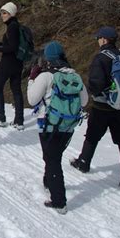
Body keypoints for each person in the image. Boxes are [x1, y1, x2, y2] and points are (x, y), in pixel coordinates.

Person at [27, 41, 88, 214]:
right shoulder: (74, 76)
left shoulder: (46, 76)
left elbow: (32, 100)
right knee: (53, 155)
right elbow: (84, 101)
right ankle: (48, 182)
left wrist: (32, 79)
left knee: (53, 160)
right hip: (68, 126)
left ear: (47, 58)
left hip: (48, 124)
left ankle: (59, 201)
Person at [70, 26, 120, 189]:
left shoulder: (101, 58)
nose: (98, 41)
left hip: (102, 106)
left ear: (104, 40)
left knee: (92, 135)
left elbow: (96, 83)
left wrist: (94, 92)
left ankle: (83, 162)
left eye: (99, 38)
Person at [0, 2, 25, 129]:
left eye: (5, 13)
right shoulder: (16, 26)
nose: (2, 15)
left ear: (11, 13)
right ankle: (19, 121)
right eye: (1, 13)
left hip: (8, 62)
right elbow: (13, 44)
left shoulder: (12, 27)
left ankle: (0, 117)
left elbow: (12, 47)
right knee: (16, 91)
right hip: (18, 63)